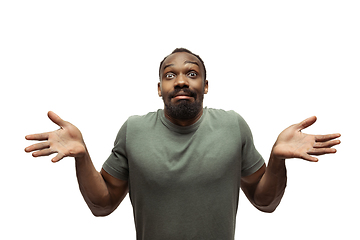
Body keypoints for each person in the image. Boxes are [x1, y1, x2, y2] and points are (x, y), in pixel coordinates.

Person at [25, 48, 341, 240]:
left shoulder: (232, 125)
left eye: (191, 73)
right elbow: (103, 204)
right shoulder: (133, 130)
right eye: (170, 74)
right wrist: (82, 157)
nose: (180, 80)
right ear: (159, 88)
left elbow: (265, 202)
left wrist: (276, 159)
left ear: (205, 85)